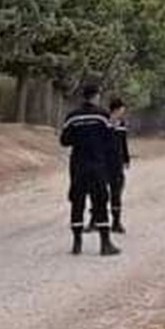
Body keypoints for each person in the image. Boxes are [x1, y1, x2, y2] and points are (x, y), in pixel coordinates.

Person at [60, 83, 120, 256]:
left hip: (78, 165)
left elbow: (64, 141)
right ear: (96, 96)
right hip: (97, 165)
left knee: (77, 202)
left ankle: (77, 243)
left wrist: (80, 138)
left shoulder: (72, 117)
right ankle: (105, 244)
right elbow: (110, 140)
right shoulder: (102, 116)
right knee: (100, 201)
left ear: (83, 96)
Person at [88, 97, 130, 233]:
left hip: (117, 163)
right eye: (122, 109)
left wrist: (126, 159)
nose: (123, 111)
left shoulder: (122, 124)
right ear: (117, 109)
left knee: (116, 192)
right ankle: (94, 220)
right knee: (99, 192)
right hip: (103, 162)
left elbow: (123, 143)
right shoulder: (103, 122)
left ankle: (116, 222)